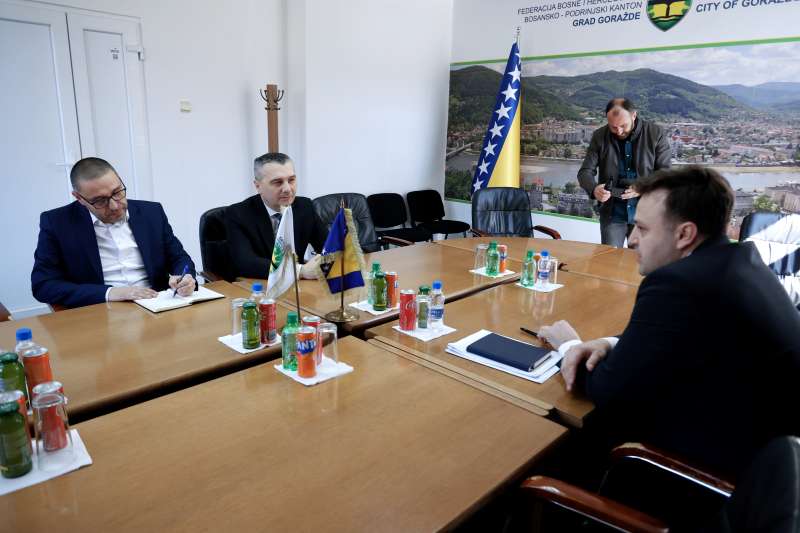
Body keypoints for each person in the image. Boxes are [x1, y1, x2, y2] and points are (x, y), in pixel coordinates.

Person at [540, 166, 800, 478]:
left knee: (562, 437)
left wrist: (569, 345)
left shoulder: (679, 284)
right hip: (766, 459)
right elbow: (674, 337)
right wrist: (609, 342)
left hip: (708, 478)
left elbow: (610, 392)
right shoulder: (739, 263)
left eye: (642, 229)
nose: (631, 240)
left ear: (684, 234)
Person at [32, 157, 196, 309]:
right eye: (100, 200)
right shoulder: (57, 223)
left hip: (157, 303)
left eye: (117, 192)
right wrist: (110, 292)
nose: (114, 206)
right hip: (100, 309)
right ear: (79, 198)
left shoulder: (151, 212)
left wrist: (186, 278)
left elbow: (179, 257)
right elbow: (43, 285)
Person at [578, 98, 671, 247]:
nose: (619, 131)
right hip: (612, 211)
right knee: (610, 258)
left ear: (634, 115)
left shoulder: (656, 133)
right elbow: (585, 172)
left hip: (646, 212)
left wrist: (643, 186)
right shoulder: (599, 136)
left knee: (641, 260)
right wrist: (594, 189)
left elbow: (665, 173)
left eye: (623, 126)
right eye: (613, 127)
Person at [226, 152, 327, 279]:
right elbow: (245, 262)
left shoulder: (305, 206)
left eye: (291, 180)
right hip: (258, 285)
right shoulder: (238, 214)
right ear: (258, 186)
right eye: (278, 182)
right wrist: (299, 271)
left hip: (299, 286)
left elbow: (329, 247)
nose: (287, 189)